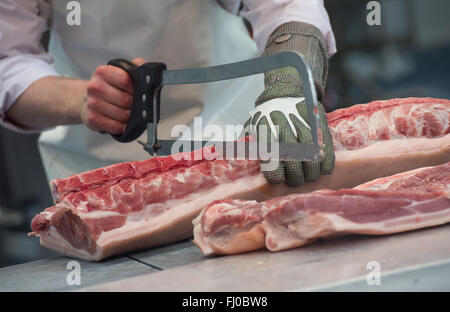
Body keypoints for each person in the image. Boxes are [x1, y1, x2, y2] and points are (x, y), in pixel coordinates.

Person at [0, 0, 336, 186]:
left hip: (235, 135)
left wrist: (288, 85)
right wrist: (82, 101)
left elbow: (286, 5)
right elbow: (9, 59)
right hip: (101, 173)